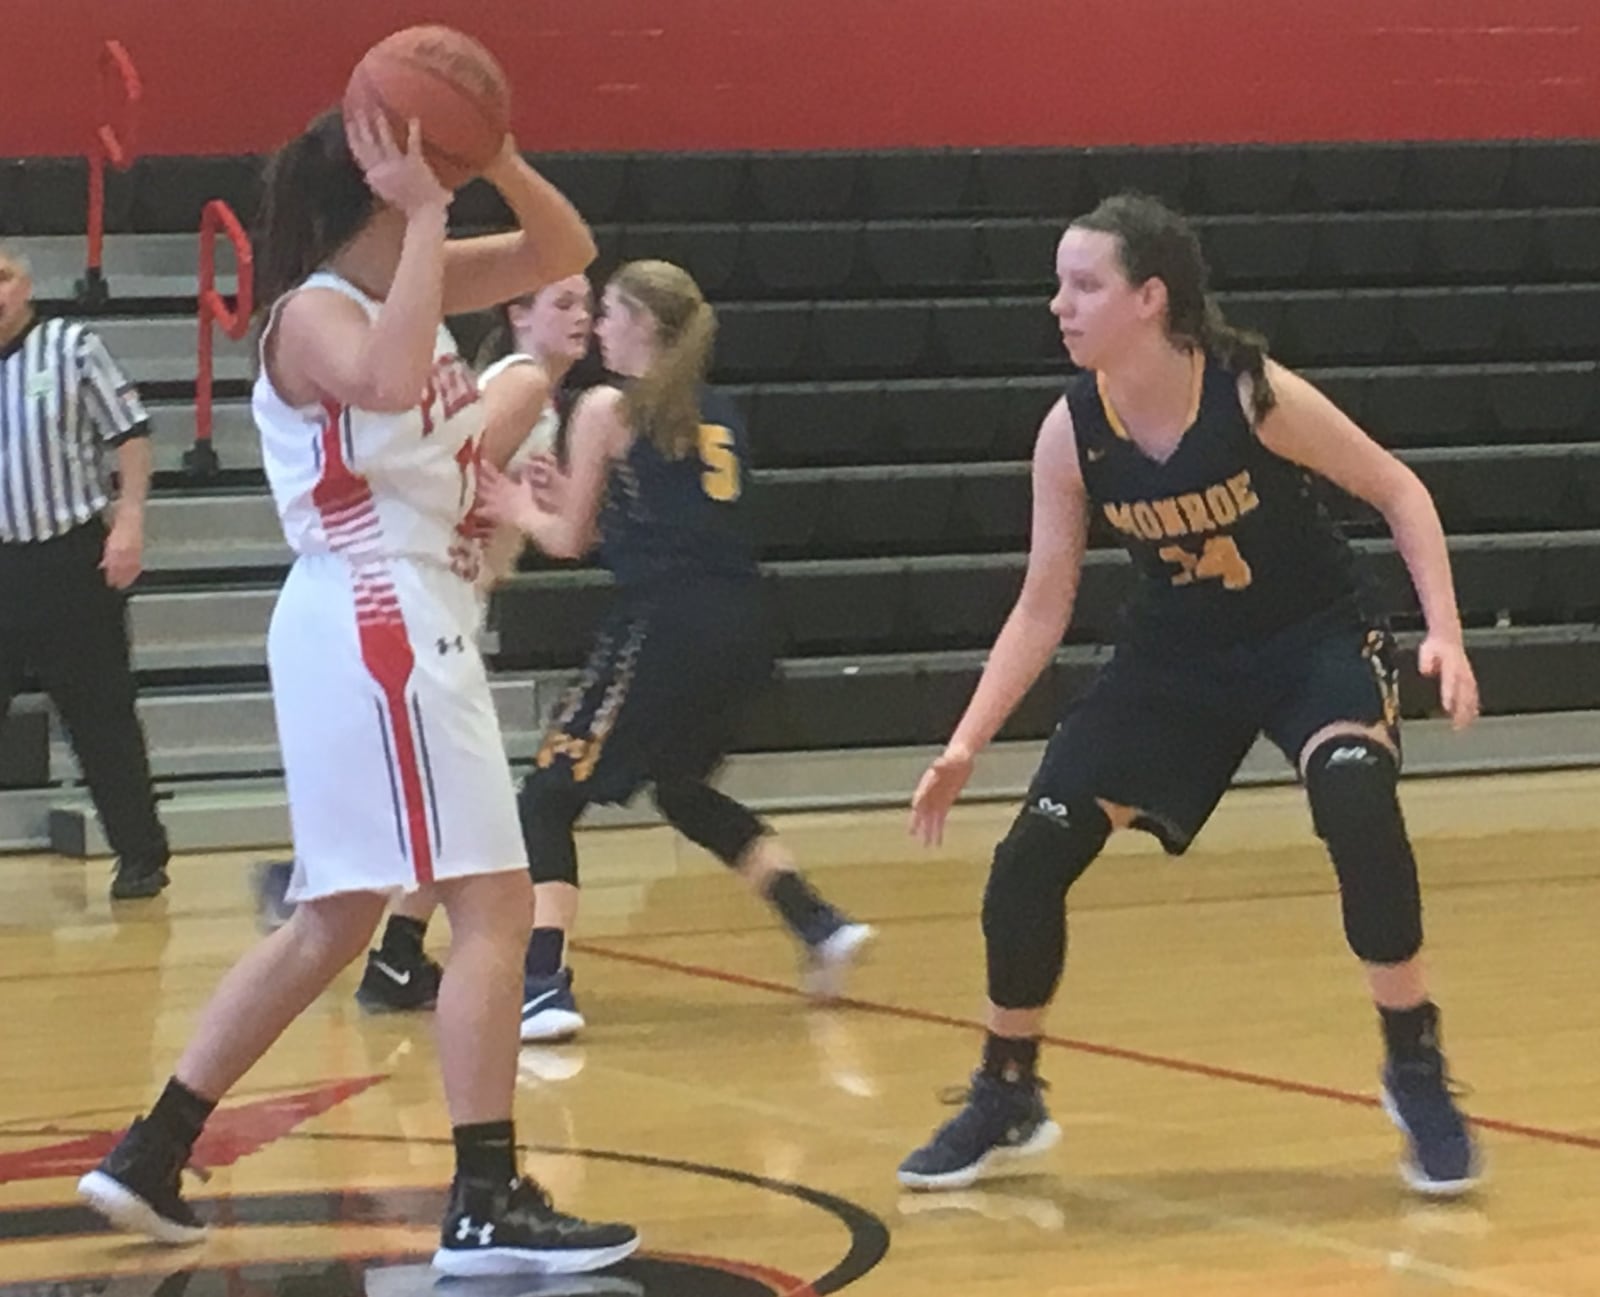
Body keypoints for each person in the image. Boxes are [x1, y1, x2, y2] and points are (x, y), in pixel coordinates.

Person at [77, 108, 638, 1276]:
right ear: (375, 197)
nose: (442, 196)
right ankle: (484, 1195)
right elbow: (387, 382)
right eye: (418, 183)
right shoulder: (317, 313)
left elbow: (563, 250)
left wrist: (497, 155)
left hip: (381, 611)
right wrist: (434, 208)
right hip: (377, 606)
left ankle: (152, 1148)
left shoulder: (404, 291)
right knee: (492, 900)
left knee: (338, 912)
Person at [895, 194, 1481, 1198]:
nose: (1058, 306)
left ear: (1148, 297)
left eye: (1083, 286)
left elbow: (1398, 490)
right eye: (1058, 285)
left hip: (1309, 640)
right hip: (1176, 661)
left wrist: (1445, 634)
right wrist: (965, 742)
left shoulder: (1248, 393)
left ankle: (1412, 1058)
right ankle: (1006, 1089)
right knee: (1029, 857)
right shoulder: (1071, 431)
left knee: (1354, 799)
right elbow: (1042, 604)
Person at [477, 259, 874, 1044]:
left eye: (613, 311)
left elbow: (568, 540)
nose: (599, 325)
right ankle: (817, 921)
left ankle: (543, 982)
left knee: (548, 796)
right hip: (745, 620)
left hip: (666, 621)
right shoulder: (718, 410)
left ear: (647, 327)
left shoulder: (601, 406)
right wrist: (577, 503)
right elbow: (657, 510)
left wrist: (518, 502)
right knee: (683, 788)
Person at [352, 272, 596, 1013]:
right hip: (429, 601)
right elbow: (442, 479)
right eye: (563, 303)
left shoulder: (538, 396)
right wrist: (510, 506)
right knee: (468, 799)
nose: (582, 316)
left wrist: (528, 501)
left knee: (452, 800)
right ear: (518, 314)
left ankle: (393, 951)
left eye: (588, 303)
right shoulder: (521, 384)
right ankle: (513, 973)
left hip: (455, 603)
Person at [0, 241, 170, 899]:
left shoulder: (71, 346)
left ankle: (140, 855)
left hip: (70, 555)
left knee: (101, 713)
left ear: (28, 286)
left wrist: (129, 520)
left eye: (5, 276)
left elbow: (130, 433)